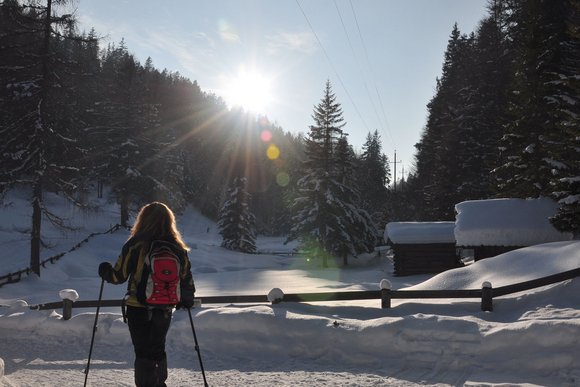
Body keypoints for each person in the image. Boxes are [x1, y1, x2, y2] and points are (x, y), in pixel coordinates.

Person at [99, 202, 196, 387]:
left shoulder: (135, 244)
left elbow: (118, 276)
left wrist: (105, 271)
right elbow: (187, 280)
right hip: (164, 308)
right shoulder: (177, 247)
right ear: (169, 221)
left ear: (142, 220)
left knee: (143, 352)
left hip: (138, 307)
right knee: (158, 348)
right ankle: (160, 384)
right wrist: (186, 301)